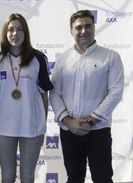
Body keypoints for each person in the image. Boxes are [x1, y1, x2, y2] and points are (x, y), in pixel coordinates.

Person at [50, 10, 124, 182]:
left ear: (94, 28)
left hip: (98, 131)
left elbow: (116, 92)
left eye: (88, 26)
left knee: (103, 178)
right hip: (69, 130)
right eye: (79, 27)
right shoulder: (63, 59)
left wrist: (90, 122)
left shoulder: (111, 57)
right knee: (74, 178)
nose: (84, 31)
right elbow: (54, 93)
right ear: (71, 32)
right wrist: (69, 122)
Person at [0, 13, 53, 183]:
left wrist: (43, 125)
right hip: (4, 128)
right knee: (7, 176)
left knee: (27, 176)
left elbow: (43, 94)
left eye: (19, 29)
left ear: (26, 33)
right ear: (5, 33)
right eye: (11, 30)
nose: (15, 34)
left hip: (31, 127)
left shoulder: (38, 59)